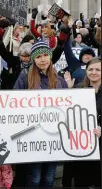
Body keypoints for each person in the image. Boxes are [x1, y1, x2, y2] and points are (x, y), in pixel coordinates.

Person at [13, 41, 68, 187]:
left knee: (49, 178)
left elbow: (67, 107)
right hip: (34, 136)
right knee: (35, 177)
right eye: (38, 57)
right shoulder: (25, 77)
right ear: (33, 59)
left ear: (50, 58)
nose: (43, 59)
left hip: (55, 137)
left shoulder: (59, 80)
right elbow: (13, 103)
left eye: (45, 55)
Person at [63, 57, 101, 188]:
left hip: (99, 147)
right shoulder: (79, 89)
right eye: (90, 69)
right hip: (82, 147)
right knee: (81, 181)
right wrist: (68, 91)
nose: (93, 72)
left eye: (98, 69)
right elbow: (68, 112)